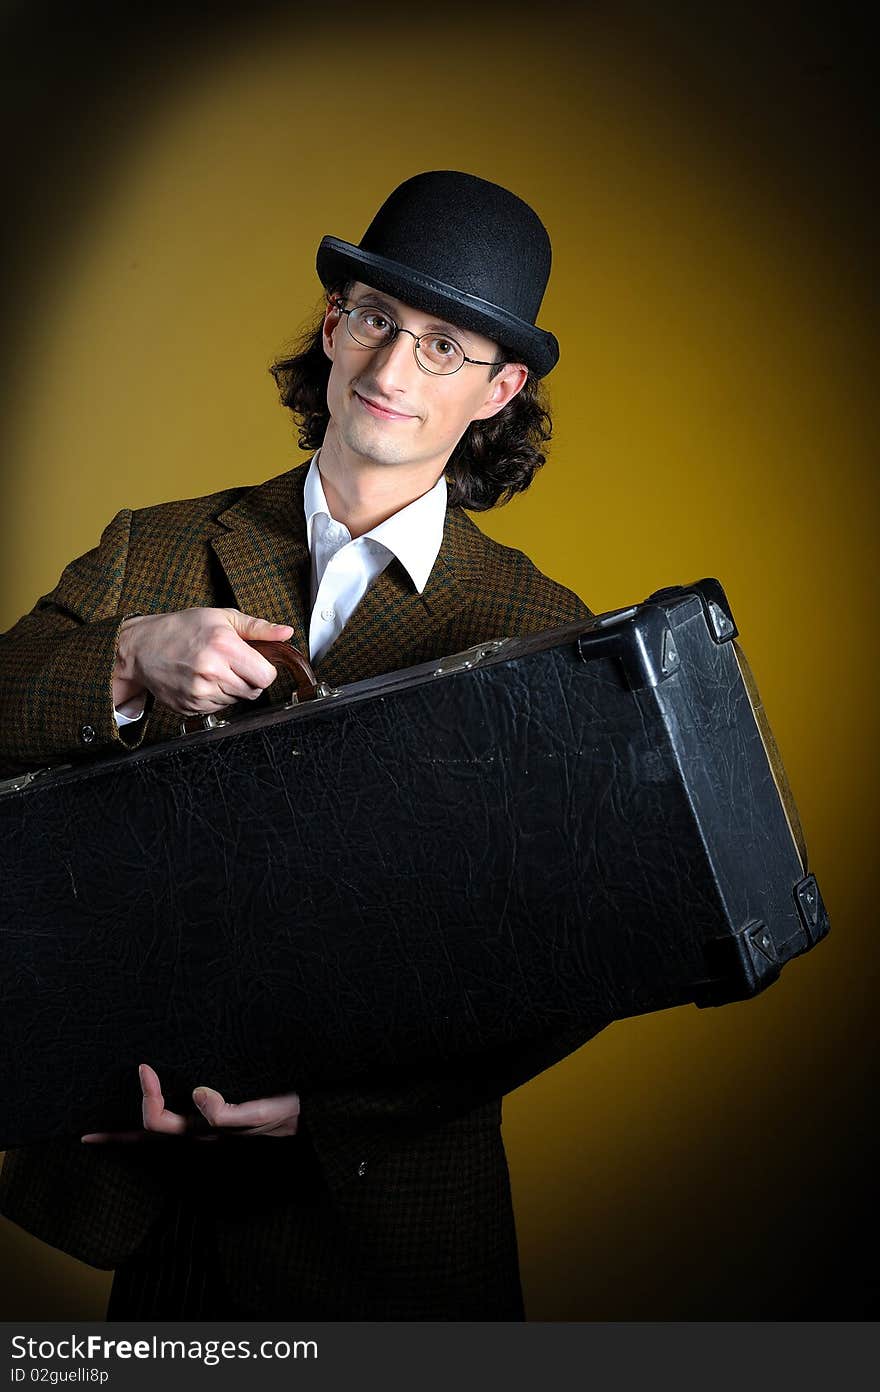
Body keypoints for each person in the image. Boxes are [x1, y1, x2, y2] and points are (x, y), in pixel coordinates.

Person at [0, 170, 600, 1320]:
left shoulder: (540, 635)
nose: (387, 371)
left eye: (442, 348)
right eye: (375, 320)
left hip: (392, 1236)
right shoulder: (154, 551)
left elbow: (575, 958)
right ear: (333, 322)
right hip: (158, 1208)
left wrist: (325, 1108)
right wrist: (126, 657)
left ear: (499, 390)